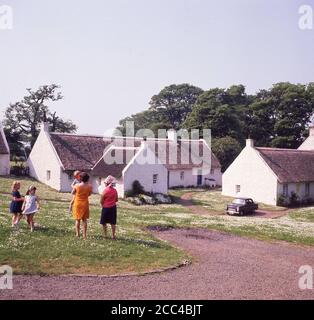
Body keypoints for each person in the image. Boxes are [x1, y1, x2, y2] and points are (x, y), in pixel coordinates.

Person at [71, 172, 92, 239]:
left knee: (77, 220)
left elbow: (72, 193)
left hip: (77, 203)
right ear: (87, 179)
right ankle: (84, 235)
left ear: (81, 178)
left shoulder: (77, 185)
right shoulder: (90, 186)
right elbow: (89, 194)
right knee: (84, 220)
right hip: (85, 203)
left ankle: (77, 234)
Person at [100, 175, 118, 239]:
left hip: (106, 208)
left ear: (107, 183)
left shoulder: (105, 191)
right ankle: (113, 235)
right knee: (113, 222)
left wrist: (103, 205)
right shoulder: (115, 191)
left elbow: (101, 201)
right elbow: (116, 200)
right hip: (113, 208)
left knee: (104, 222)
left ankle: (105, 235)